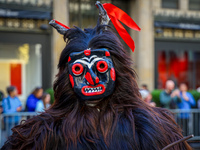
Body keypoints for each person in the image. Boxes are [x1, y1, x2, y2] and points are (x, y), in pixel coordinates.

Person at [2, 2, 191, 150]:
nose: (91, 78)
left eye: (100, 67)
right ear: (67, 76)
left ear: (117, 70)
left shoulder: (151, 127)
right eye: (79, 70)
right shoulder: (42, 132)